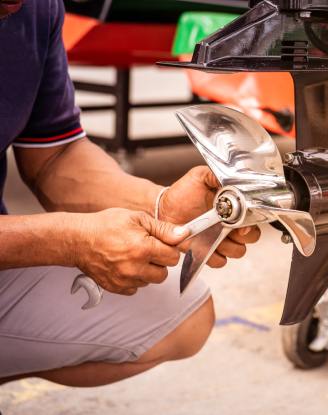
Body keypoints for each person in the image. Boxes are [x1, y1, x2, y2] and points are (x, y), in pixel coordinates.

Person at [0, 0, 261, 386]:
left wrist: (162, 204)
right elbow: (62, 238)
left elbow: (55, 157)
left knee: (181, 317)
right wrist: (65, 241)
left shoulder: (36, 8)